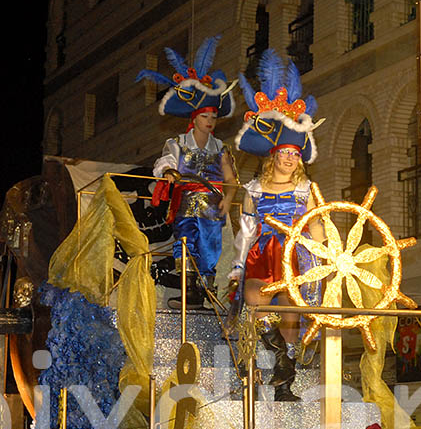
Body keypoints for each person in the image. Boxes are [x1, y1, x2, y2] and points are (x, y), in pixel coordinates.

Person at [229, 49, 325, 401]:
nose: (289, 158)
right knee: (254, 302)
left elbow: (317, 226)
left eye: (294, 153)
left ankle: (284, 380)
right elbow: (247, 230)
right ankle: (270, 361)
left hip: (295, 257)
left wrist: (325, 259)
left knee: (290, 311)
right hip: (262, 255)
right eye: (284, 152)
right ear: (273, 155)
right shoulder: (253, 189)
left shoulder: (305, 189)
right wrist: (238, 267)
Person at [137, 35, 238, 307]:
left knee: (211, 248)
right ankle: (189, 289)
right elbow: (165, 161)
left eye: (214, 117)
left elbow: (230, 179)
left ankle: (207, 289)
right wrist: (170, 171)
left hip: (213, 207)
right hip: (186, 202)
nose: (211, 121)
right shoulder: (178, 143)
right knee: (185, 242)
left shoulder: (220, 148)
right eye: (206, 116)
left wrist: (228, 198)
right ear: (195, 118)